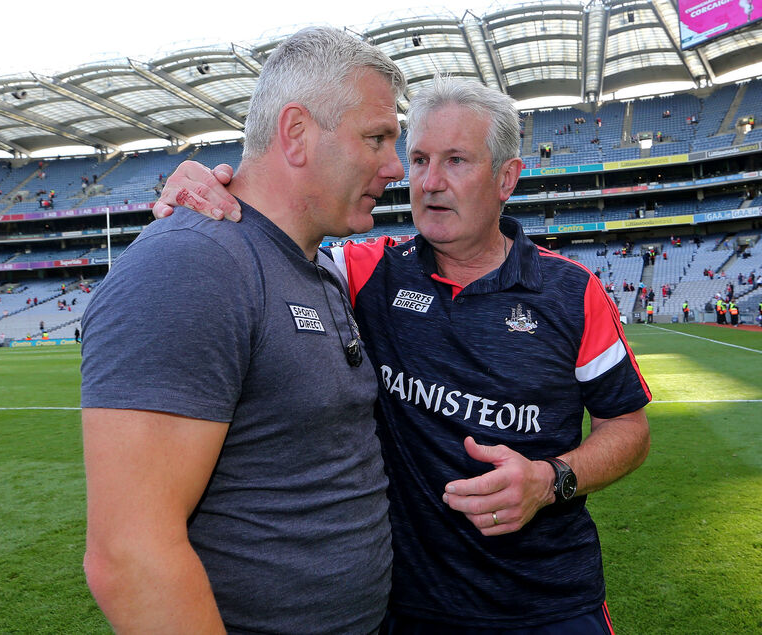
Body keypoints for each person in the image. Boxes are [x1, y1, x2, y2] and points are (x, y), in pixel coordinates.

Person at [155, 75, 651, 632]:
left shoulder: (572, 292)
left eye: (457, 160)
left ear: (506, 177)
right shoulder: (366, 273)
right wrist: (208, 183)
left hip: (550, 605)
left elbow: (628, 427)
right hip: (406, 609)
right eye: (418, 159)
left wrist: (550, 479)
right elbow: (272, 230)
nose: (430, 182)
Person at [80, 27, 405, 634]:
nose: (395, 165)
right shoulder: (191, 265)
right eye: (377, 138)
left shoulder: (319, 268)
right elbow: (128, 555)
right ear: (297, 133)